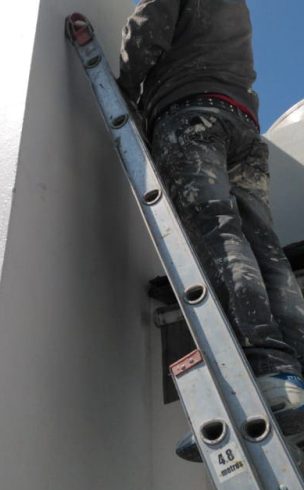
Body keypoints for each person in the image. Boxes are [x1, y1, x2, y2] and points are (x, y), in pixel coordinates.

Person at [118, 0, 304, 462]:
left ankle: (262, 369)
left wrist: (123, 86)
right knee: (266, 252)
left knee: (216, 237)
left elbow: (149, 25)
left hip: (190, 114)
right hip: (241, 122)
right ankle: (292, 374)